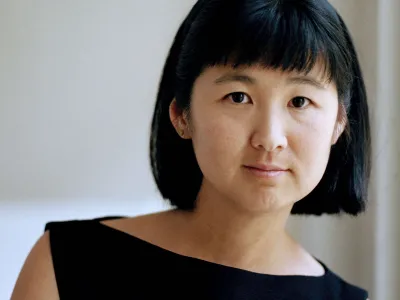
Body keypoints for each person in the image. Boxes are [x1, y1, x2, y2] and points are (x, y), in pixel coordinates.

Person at [11, 0, 371, 299]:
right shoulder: (66, 263)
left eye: (300, 101)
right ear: (182, 114)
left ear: (339, 123)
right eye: (238, 96)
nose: (270, 137)